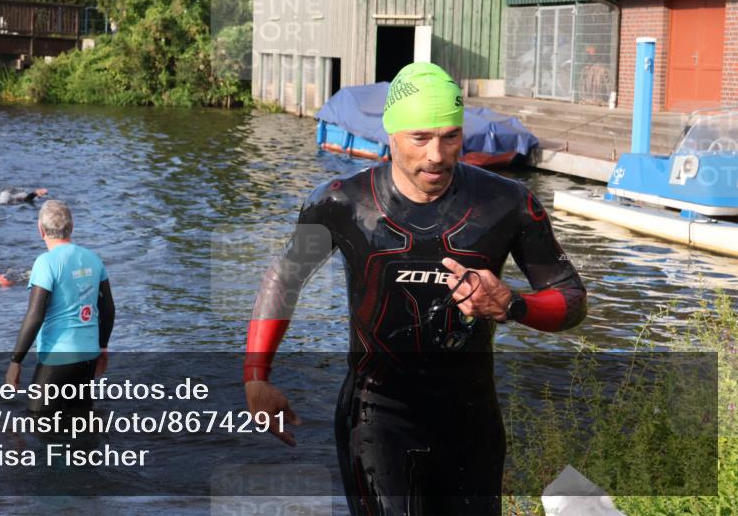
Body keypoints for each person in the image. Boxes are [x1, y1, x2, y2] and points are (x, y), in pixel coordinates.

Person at [243, 62, 588, 515]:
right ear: (391, 135)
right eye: (420, 138)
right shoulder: (340, 202)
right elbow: (284, 279)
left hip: (471, 420)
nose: (437, 156)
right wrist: (256, 377)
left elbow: (571, 297)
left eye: (450, 137)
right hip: (378, 415)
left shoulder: (507, 203)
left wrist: (512, 304)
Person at [6, 200, 115, 415]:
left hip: (57, 357)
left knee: (37, 420)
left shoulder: (45, 263)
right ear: (71, 227)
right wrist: (102, 347)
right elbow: (108, 308)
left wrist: (15, 361)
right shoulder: (93, 259)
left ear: (40, 230)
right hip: (88, 355)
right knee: (81, 419)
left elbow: (35, 315)